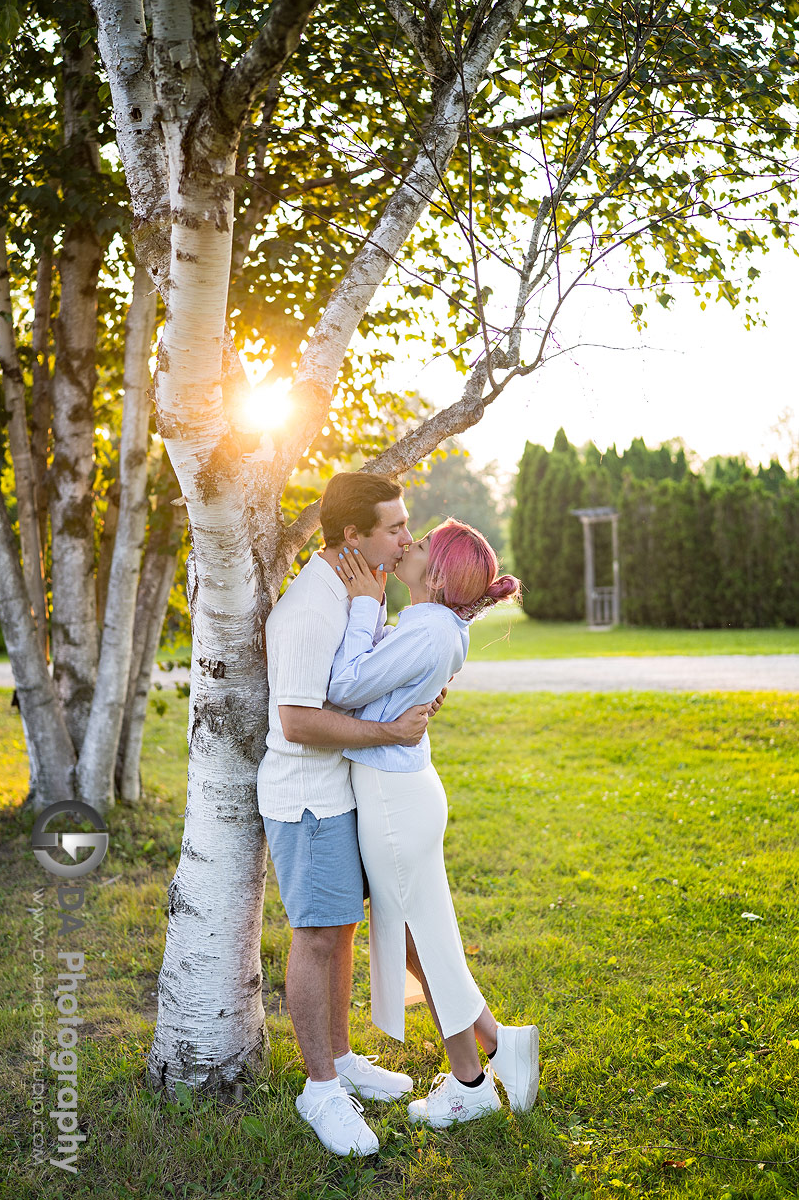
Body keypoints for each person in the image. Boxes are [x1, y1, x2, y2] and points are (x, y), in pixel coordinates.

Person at [256, 472, 448, 1158]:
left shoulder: (355, 592)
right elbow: (300, 720)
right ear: (352, 537)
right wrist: (389, 734)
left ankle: (339, 1060)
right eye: (393, 529)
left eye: (404, 525)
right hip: (306, 799)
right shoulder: (312, 609)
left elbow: (359, 683)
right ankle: (318, 1088)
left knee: (339, 931)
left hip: (341, 793)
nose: (405, 539)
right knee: (316, 936)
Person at [327, 518, 540, 1129]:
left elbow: (343, 686)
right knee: (427, 938)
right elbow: (382, 685)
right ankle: (497, 1044)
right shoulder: (432, 627)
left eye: (422, 544)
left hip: (395, 799)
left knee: (425, 940)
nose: (409, 543)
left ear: (438, 574)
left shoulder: (426, 633)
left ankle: (472, 1081)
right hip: (401, 792)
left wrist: (366, 607)